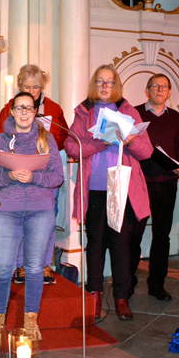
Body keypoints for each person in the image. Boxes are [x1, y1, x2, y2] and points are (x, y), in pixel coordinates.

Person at [64, 64, 153, 321]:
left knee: (120, 244)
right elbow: (72, 146)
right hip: (94, 188)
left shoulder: (128, 111)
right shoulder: (84, 111)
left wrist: (132, 140)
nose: (105, 86)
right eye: (101, 81)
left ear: (117, 85)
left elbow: (146, 152)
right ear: (94, 84)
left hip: (120, 187)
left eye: (110, 82)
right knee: (95, 243)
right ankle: (94, 294)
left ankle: (121, 297)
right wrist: (101, 142)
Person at [0, 92, 64, 340]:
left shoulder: (47, 138)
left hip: (41, 211)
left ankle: (31, 321)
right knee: (3, 269)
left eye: (28, 108)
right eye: (19, 108)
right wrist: (9, 176)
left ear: (35, 112)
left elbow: (58, 177)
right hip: (7, 210)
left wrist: (34, 177)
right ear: (11, 110)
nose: (23, 112)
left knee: (33, 268)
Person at [0, 64, 68, 285]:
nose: (32, 91)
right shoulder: (10, 107)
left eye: (36, 87)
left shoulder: (54, 108)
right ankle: (20, 266)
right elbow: (0, 138)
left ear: (42, 88)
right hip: (17, 176)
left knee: (45, 221)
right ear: (19, 86)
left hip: (45, 178)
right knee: (18, 221)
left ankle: (45, 264)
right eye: (27, 86)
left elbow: (63, 137)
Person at [129, 74, 179, 301]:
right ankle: (128, 284)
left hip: (167, 184)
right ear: (147, 91)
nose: (160, 89)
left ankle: (157, 285)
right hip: (140, 184)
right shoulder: (135, 114)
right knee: (134, 236)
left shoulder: (174, 117)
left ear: (169, 92)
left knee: (162, 237)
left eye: (164, 86)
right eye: (155, 86)